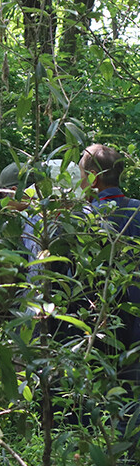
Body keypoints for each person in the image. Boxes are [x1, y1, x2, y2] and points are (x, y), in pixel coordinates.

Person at [78, 144, 140, 360]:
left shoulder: (83, 219)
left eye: (81, 176)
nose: (79, 183)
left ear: (94, 178)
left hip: (97, 330)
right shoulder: (137, 209)